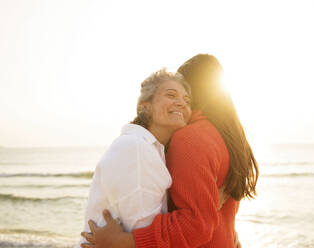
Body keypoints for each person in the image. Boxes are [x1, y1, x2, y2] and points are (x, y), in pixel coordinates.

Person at [81, 54, 259, 248]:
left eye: (186, 96)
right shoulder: (229, 139)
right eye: (171, 95)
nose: (181, 102)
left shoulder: (190, 138)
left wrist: (125, 242)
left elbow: (196, 222)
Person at [75, 69, 192, 248]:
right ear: (144, 106)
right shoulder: (137, 148)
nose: (182, 103)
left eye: (187, 100)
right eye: (171, 95)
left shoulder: (148, 148)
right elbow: (143, 234)